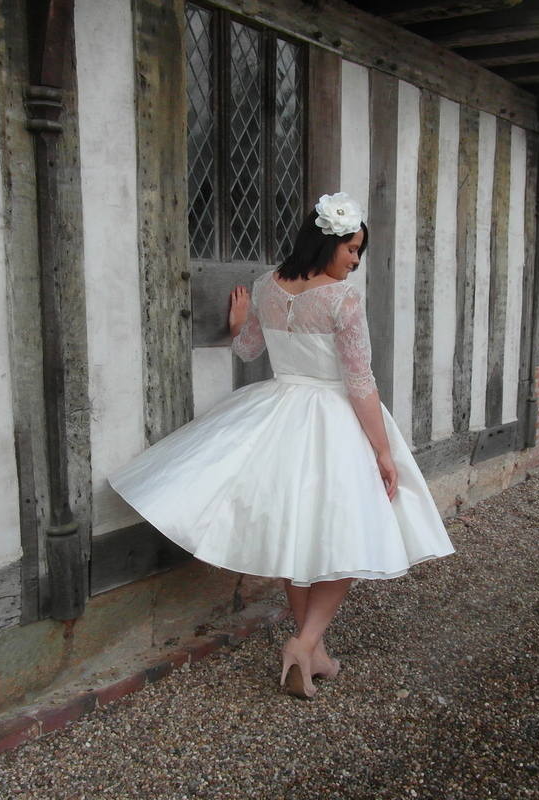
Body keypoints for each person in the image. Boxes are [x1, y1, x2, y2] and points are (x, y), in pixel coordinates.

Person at [109, 192, 455, 699]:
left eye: (358, 251)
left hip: (279, 409)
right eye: (351, 250)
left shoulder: (267, 284)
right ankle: (304, 642)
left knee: (299, 536)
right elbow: (360, 381)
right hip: (333, 417)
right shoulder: (343, 299)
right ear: (326, 243)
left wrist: (237, 322)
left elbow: (248, 349)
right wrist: (382, 451)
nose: (355, 261)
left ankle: (315, 657)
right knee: (348, 536)